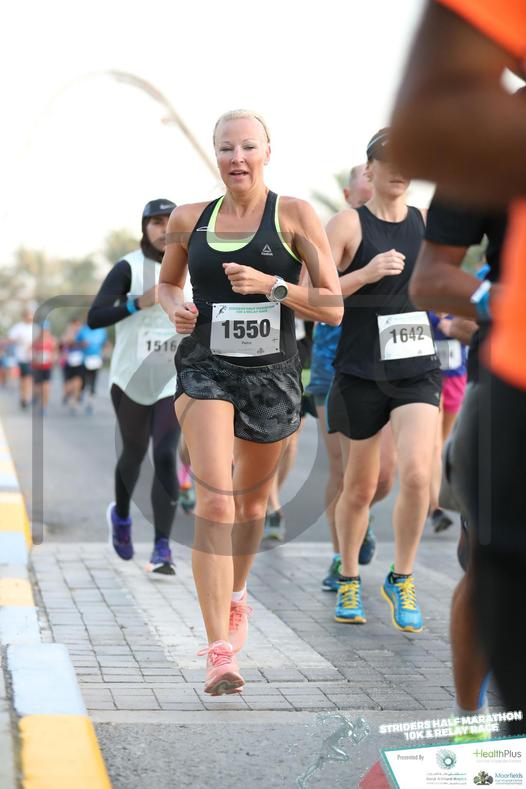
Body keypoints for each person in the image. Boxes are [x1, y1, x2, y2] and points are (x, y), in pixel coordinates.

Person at [159, 109, 343, 696]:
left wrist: (273, 286)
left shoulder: (295, 215)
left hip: (272, 375)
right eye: (225, 148)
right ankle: (218, 651)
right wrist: (175, 307)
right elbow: (168, 283)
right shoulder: (188, 219)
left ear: (267, 151)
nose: (236, 158)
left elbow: (333, 305)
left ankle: (238, 595)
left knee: (252, 502)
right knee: (216, 498)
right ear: (215, 155)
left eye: (247, 146)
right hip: (205, 369)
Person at [391, 0, 526, 734]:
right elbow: (430, 278)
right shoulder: (496, 128)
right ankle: (472, 725)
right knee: (484, 565)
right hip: (515, 383)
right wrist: (491, 296)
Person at [326, 128, 441, 632]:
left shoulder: (427, 222)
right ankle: (349, 576)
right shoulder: (347, 224)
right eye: (388, 160)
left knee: (417, 474)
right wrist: (366, 273)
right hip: (361, 370)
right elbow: (312, 296)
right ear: (369, 170)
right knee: (360, 486)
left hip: (417, 367)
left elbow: (445, 280)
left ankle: (402, 576)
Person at [307, 164, 397, 591]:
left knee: (384, 476)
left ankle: (360, 512)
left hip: (388, 365)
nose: (373, 180)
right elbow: (310, 293)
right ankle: (340, 557)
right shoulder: (332, 234)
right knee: (342, 471)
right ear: (348, 194)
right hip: (334, 364)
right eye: (364, 176)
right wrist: (366, 273)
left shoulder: (402, 231)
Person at [88, 198, 182, 576]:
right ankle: (122, 516)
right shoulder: (129, 267)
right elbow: (95, 317)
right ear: (144, 228)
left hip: (172, 378)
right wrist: (135, 304)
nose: (163, 228)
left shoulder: (193, 267)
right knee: (134, 452)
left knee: (165, 454)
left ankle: (162, 548)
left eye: (170, 221)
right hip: (130, 377)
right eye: (155, 222)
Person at [428, 310, 473, 533]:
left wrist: (455, 326)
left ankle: (431, 498)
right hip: (429, 378)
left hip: (456, 377)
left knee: (443, 445)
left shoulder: (460, 306)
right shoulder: (422, 305)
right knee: (434, 445)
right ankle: (434, 508)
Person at [76, 322, 108, 415]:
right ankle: (79, 395)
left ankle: (90, 403)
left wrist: (105, 354)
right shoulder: (83, 330)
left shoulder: (101, 331)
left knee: (93, 382)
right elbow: (75, 343)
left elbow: (105, 344)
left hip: (96, 360)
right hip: (84, 360)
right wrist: (82, 344)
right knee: (83, 381)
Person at [8, 308, 33, 409]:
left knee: (28, 378)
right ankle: (24, 398)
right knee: (24, 379)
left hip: (32, 358)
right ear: (24, 317)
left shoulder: (34, 327)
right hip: (22, 358)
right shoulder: (18, 327)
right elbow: (11, 339)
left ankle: (25, 398)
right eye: (28, 316)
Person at [31, 321, 57, 414]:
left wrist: (53, 359)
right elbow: (31, 352)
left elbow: (55, 353)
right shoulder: (36, 341)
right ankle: (36, 397)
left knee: (46, 387)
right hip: (37, 367)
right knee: (37, 388)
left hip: (47, 367)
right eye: (42, 330)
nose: (44, 332)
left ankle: (44, 406)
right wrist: (35, 358)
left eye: (46, 330)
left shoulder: (52, 341)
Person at [60, 317, 84, 414]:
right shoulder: (67, 333)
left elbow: (86, 343)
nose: (77, 327)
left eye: (78, 325)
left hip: (79, 361)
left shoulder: (82, 333)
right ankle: (67, 394)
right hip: (68, 362)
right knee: (69, 385)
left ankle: (74, 401)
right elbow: (63, 342)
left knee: (78, 381)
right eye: (75, 325)